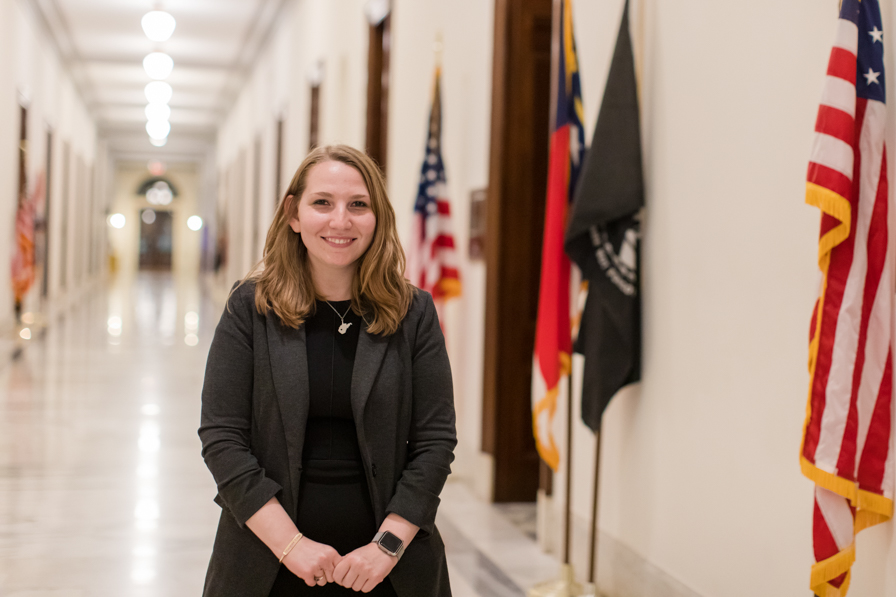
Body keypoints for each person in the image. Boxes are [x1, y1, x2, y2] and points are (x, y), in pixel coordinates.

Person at [198, 144, 456, 596]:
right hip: (266, 564)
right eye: (323, 203)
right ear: (293, 214)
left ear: (378, 219)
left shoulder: (413, 313)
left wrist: (386, 547)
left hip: (389, 571)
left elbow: (435, 441)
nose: (341, 221)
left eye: (359, 205)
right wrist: (292, 546)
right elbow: (222, 438)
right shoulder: (250, 308)